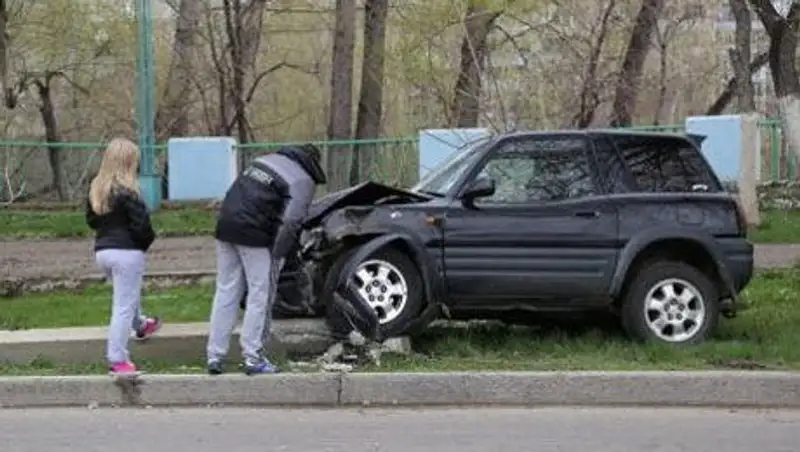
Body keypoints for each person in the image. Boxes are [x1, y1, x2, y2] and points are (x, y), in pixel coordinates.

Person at [206, 144, 326, 375]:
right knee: (261, 294)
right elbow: (292, 220)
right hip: (256, 235)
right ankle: (254, 357)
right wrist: (278, 254)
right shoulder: (302, 180)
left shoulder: (262, 161)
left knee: (226, 290)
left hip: (226, 227)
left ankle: (215, 356)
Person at [85, 137, 162, 376]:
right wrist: (142, 244)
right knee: (123, 306)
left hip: (103, 251)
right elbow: (143, 227)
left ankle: (142, 324)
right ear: (130, 162)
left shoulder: (98, 190)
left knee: (127, 293)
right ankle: (117, 358)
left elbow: (91, 221)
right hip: (127, 252)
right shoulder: (129, 192)